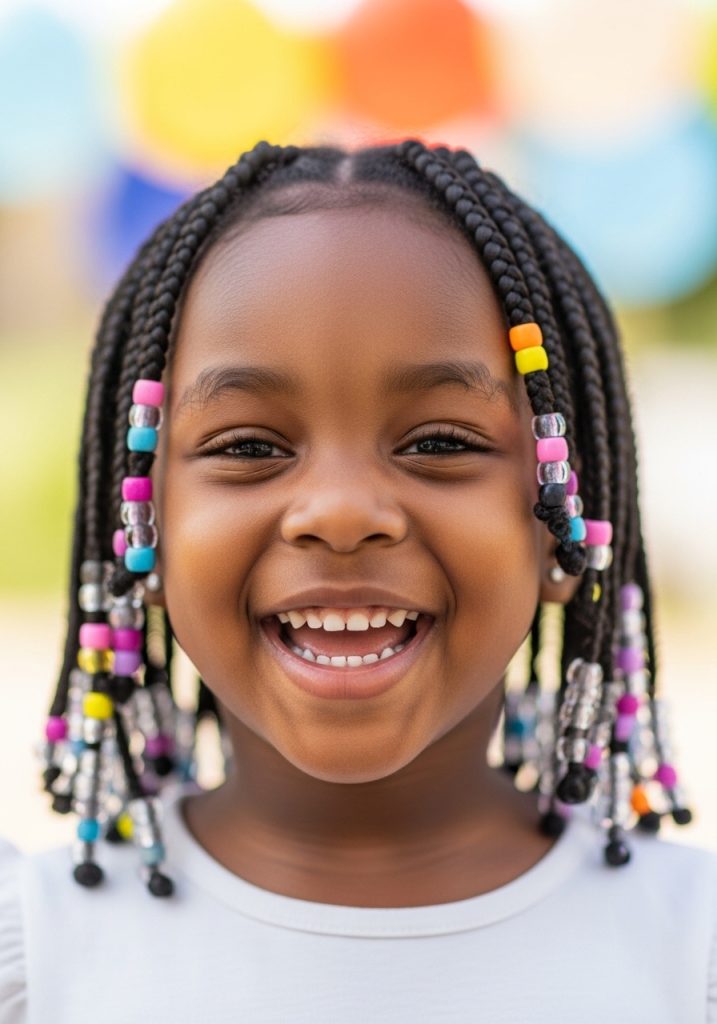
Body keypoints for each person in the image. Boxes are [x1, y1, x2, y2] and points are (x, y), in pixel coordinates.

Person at [1, 139, 715, 1022]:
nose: (340, 513)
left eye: (440, 443)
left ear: (559, 523)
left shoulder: (687, 953)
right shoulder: (45, 954)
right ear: (141, 530)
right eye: (248, 448)